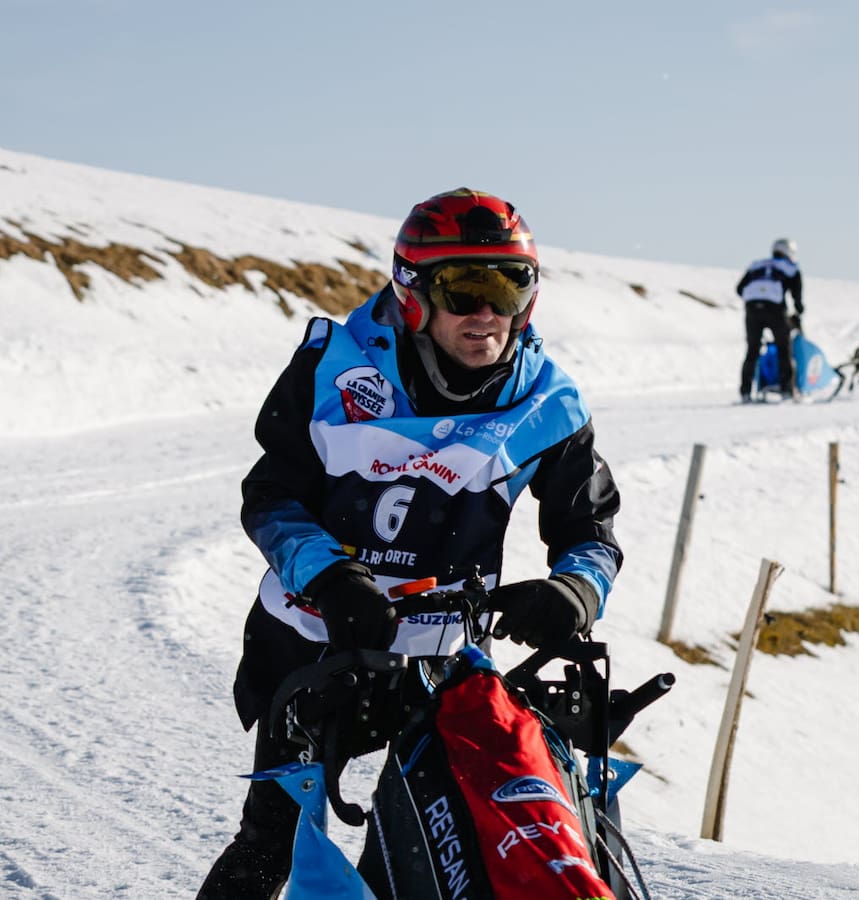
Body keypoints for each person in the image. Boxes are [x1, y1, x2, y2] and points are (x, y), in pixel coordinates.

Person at [197, 188, 622, 898]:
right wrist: (331, 580)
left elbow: (591, 533)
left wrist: (572, 593)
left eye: (509, 286)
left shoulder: (549, 404)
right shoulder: (334, 368)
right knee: (272, 839)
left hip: (440, 656)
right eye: (466, 287)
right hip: (312, 639)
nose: (487, 313)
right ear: (414, 290)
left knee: (445, 839)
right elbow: (271, 498)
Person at [737, 237, 804, 402]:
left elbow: (740, 288)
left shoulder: (757, 265)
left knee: (752, 350)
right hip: (775, 310)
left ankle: (745, 392)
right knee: (784, 349)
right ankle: (788, 390)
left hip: (752, 309)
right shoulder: (790, 268)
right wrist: (798, 310)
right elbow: (797, 295)